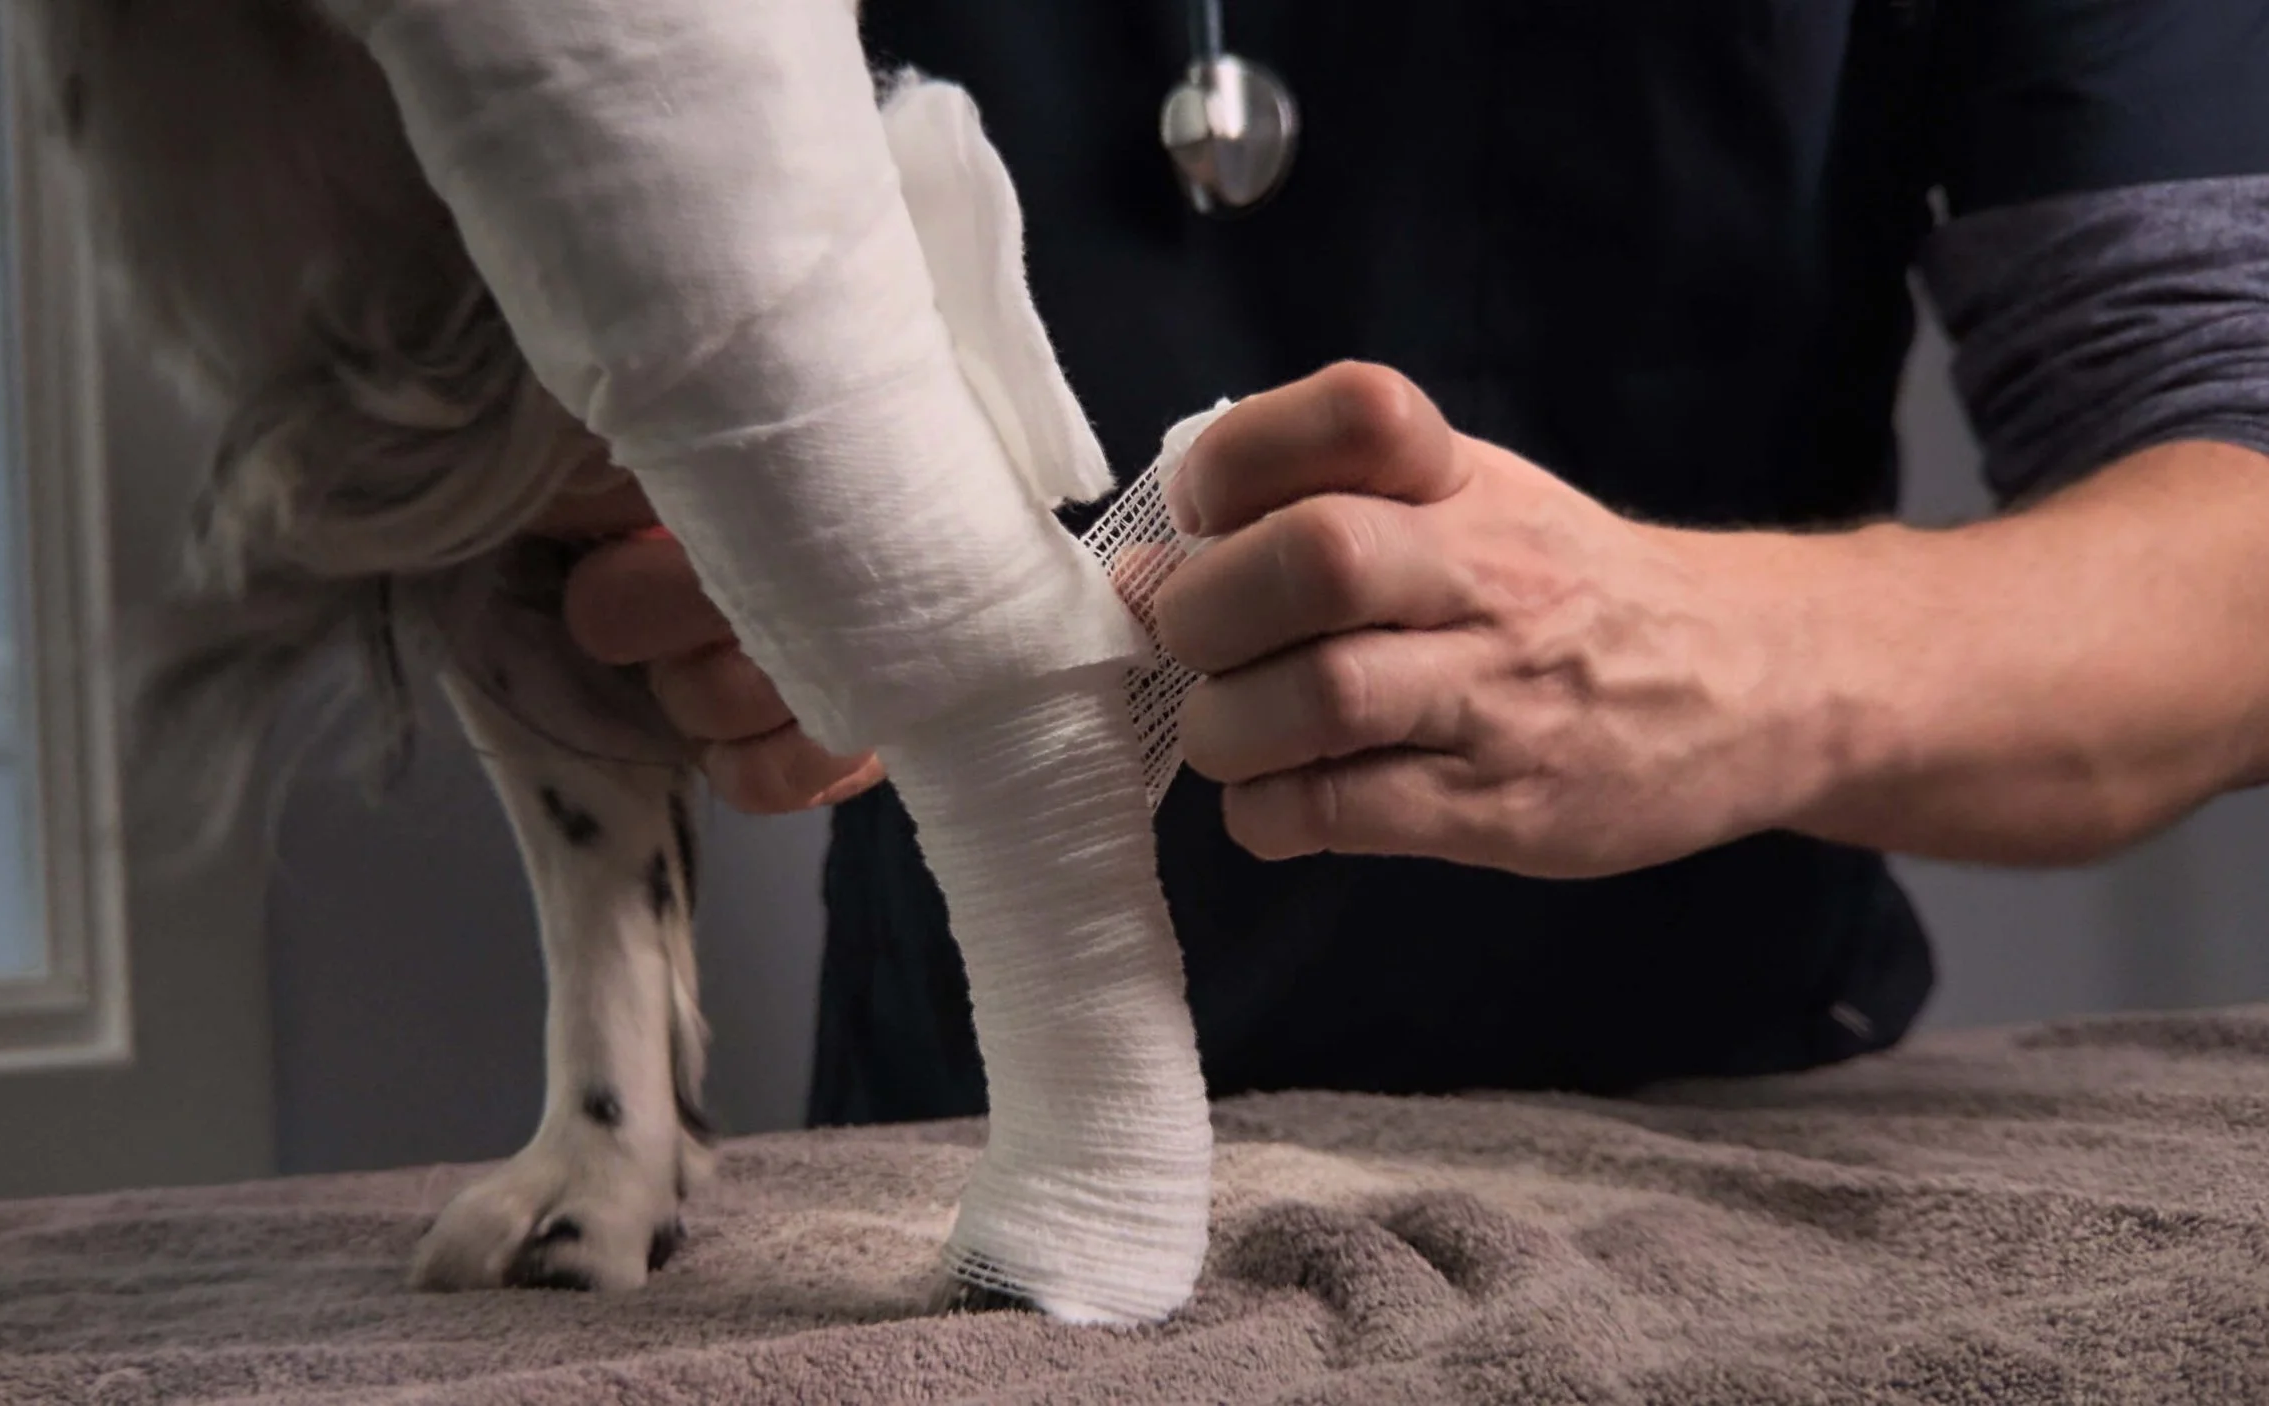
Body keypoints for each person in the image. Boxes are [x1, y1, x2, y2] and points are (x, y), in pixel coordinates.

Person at [533, 1, 2269, 1126]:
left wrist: (1732, 662)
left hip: (1727, 1138)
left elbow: (2236, 536)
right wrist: (729, 538)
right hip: (963, 1163)